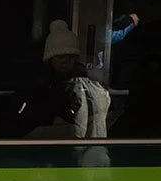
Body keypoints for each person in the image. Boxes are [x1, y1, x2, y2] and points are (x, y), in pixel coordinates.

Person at [21, 20, 111, 166]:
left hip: (78, 155)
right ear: (50, 59)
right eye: (61, 57)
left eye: (71, 57)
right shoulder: (41, 85)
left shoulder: (88, 85)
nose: (66, 62)